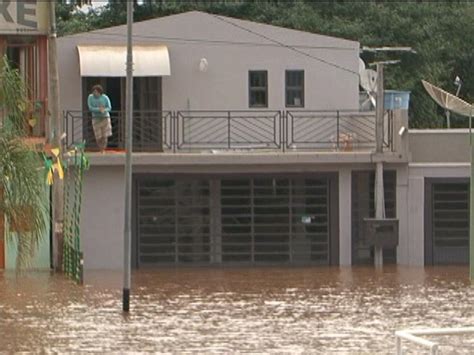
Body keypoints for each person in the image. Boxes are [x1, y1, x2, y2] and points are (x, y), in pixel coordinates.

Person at [87, 84, 112, 153]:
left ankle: (103, 149)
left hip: (105, 118)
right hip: (96, 118)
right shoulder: (90, 97)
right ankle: (100, 147)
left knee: (104, 135)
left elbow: (109, 107)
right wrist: (99, 109)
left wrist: (104, 110)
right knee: (98, 135)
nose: (95, 93)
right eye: (94, 92)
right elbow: (90, 107)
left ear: (100, 92)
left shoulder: (105, 98)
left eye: (96, 92)